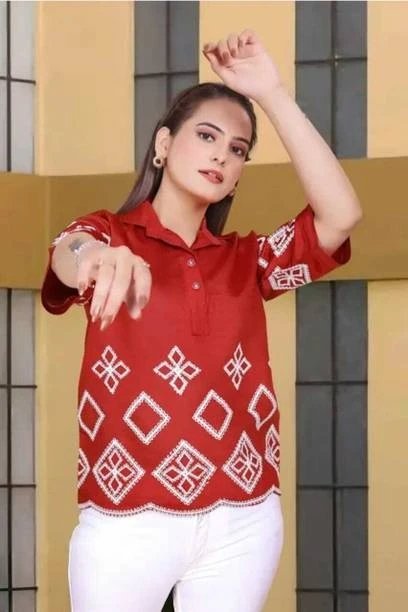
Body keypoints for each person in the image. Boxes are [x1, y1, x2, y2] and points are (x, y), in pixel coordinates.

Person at [41, 30, 362, 612]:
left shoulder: (249, 261)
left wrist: (272, 94)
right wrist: (94, 259)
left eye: (238, 149)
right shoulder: (108, 233)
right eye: (207, 136)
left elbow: (340, 215)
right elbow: (68, 253)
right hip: (125, 517)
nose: (221, 155)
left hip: (244, 516)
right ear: (164, 144)